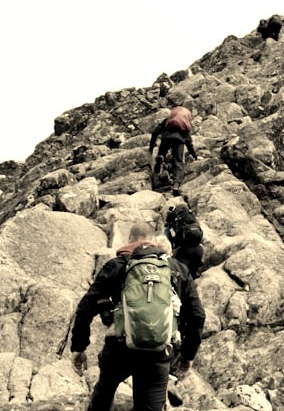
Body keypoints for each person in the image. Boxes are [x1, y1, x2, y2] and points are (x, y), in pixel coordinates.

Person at [70, 221, 205, 411]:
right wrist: (187, 355)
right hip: (159, 351)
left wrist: (79, 347)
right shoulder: (176, 268)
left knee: (105, 390)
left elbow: (85, 307)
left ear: (129, 240)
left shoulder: (116, 265)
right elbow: (197, 315)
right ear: (154, 240)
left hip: (119, 349)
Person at [149, 105, 198, 196]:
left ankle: (161, 157)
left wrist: (151, 148)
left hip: (166, 137)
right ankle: (176, 186)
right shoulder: (185, 124)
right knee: (179, 163)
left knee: (162, 151)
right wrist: (194, 155)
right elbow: (189, 143)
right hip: (179, 141)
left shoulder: (168, 120)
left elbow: (155, 132)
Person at [165, 203, 204, 279]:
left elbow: (170, 239)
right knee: (193, 273)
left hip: (183, 251)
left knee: (182, 275)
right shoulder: (192, 218)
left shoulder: (174, 221)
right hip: (198, 249)